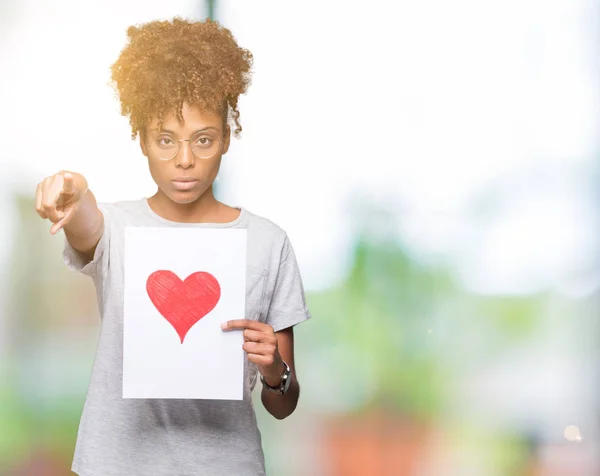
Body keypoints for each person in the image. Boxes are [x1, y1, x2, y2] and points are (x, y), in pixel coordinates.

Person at [34, 17, 310, 476]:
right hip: (116, 464)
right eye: (166, 139)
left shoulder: (267, 243)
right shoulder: (117, 228)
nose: (185, 160)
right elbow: (84, 221)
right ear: (141, 139)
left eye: (203, 140)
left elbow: (283, 404)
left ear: (226, 137)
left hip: (227, 464)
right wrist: (72, 191)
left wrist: (274, 370)